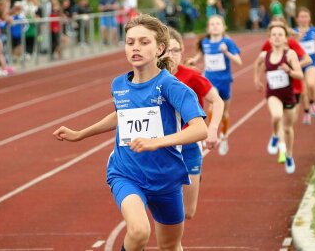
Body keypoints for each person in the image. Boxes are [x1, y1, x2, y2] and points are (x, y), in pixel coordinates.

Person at [53, 14, 208, 251]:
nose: (135, 47)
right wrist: (80, 133)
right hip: (126, 173)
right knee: (138, 232)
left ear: (160, 48)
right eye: (130, 42)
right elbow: (121, 116)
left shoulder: (173, 87)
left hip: (165, 177)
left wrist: (156, 142)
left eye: (144, 42)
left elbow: (200, 129)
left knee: (170, 245)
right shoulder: (119, 84)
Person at [166, 27, 224, 219]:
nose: (170, 55)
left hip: (190, 145)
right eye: (166, 49)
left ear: (182, 52)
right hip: (163, 147)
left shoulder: (191, 76)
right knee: (166, 210)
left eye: (175, 50)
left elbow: (217, 101)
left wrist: (213, 129)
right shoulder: (152, 79)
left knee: (188, 212)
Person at [187, 15, 242, 156]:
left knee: (224, 113)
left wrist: (226, 52)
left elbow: (239, 62)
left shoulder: (227, 42)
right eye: (212, 24)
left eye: (218, 24)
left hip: (225, 81)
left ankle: (224, 137)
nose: (215, 26)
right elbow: (199, 55)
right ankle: (212, 131)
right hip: (211, 81)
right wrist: (193, 60)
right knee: (212, 105)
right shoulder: (205, 42)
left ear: (224, 27)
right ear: (208, 28)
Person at [258, 18, 312, 162]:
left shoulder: (292, 44)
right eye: (273, 33)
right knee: (278, 117)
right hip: (275, 90)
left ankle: (287, 150)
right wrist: (258, 78)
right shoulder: (267, 45)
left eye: (280, 32)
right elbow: (262, 61)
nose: (276, 36)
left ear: (285, 31)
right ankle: (281, 148)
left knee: (288, 124)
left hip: (294, 88)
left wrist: (292, 67)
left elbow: (308, 60)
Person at [294, 7, 315, 125]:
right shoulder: (294, 31)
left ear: (309, 18)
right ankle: (306, 112)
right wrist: (297, 38)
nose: (304, 19)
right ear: (297, 19)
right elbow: (289, 43)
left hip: (311, 62)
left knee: (311, 84)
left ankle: (312, 103)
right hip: (298, 64)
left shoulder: (314, 30)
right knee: (302, 91)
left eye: (306, 16)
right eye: (301, 16)